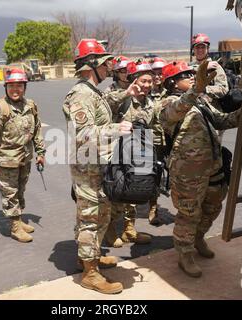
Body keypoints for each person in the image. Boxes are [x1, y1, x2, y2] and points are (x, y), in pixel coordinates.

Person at [62, 39, 133, 294]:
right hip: (88, 168)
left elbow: (104, 109)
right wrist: (117, 128)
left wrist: (127, 93)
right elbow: (83, 133)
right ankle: (90, 273)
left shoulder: (92, 92)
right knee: (91, 218)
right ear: (91, 64)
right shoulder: (81, 94)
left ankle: (89, 258)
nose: (108, 68)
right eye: (104, 63)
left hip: (97, 166)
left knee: (100, 213)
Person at [160, 60, 240, 278]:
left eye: (192, 74)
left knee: (214, 205)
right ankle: (184, 253)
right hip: (188, 172)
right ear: (173, 83)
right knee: (189, 212)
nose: (192, 77)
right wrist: (197, 89)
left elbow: (220, 120)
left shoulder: (201, 102)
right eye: (186, 76)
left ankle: (198, 237)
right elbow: (174, 113)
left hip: (213, 165)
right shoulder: (167, 102)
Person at [0, 68, 46, 243]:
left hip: (24, 158)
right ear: (5, 87)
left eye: (19, 86)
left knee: (20, 190)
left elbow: (37, 131)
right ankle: (15, 227)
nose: (15, 89)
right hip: (6, 161)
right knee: (10, 193)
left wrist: (41, 152)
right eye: (11, 86)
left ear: (25, 87)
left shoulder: (30, 106)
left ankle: (19, 219)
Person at [103, 59, 158, 248]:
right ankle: (110, 228)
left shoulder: (151, 101)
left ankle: (129, 229)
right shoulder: (122, 96)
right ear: (133, 79)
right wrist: (127, 93)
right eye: (143, 81)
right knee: (119, 191)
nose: (147, 85)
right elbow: (105, 104)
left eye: (150, 81)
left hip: (142, 150)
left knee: (135, 191)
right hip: (120, 150)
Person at [190, 33, 229, 141]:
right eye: (197, 47)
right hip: (194, 115)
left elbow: (223, 89)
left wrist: (205, 89)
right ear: (193, 49)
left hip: (212, 114)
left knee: (213, 150)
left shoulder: (215, 67)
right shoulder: (190, 67)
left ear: (207, 48)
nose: (200, 50)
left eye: (203, 47)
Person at [147, 57, 169, 225]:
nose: (157, 76)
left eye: (160, 73)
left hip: (169, 140)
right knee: (154, 174)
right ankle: (153, 208)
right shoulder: (146, 92)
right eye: (154, 73)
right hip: (152, 140)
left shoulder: (171, 91)